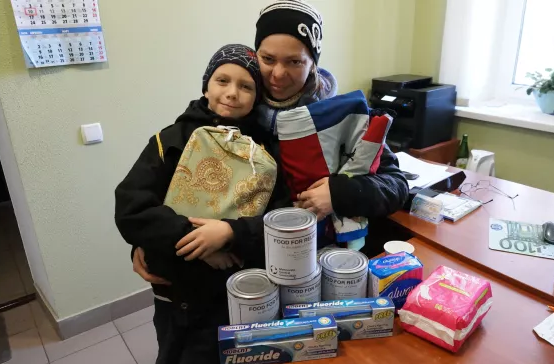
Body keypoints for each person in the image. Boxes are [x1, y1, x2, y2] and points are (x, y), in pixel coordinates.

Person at [130, 0, 409, 284]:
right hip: (242, 275)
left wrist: (339, 193)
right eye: (268, 59)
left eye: (294, 61)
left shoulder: (342, 117)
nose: (278, 74)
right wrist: (158, 241)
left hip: (315, 269)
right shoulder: (232, 116)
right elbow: (180, 189)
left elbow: (395, 186)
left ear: (313, 63)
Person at [114, 44, 289, 364]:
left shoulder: (265, 154)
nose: (232, 93)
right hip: (172, 288)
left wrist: (229, 236)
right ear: (206, 85)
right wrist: (197, 241)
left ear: (258, 96)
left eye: (246, 86)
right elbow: (132, 208)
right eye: (222, 80)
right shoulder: (171, 141)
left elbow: (277, 220)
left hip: (229, 295)